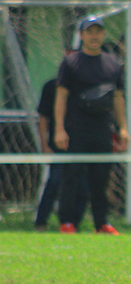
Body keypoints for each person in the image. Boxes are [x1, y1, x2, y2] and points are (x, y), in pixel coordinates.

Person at [53, 15, 129, 234]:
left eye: (98, 31)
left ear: (103, 34)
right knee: (72, 176)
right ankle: (67, 222)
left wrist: (122, 127)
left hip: (102, 129)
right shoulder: (70, 63)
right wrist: (59, 128)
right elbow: (61, 96)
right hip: (77, 128)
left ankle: (101, 223)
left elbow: (117, 97)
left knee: (101, 178)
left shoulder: (113, 63)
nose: (94, 36)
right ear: (82, 35)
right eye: (89, 32)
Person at [33, 77, 88, 231]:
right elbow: (43, 117)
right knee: (54, 182)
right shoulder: (51, 86)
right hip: (58, 145)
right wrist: (44, 144)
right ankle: (41, 222)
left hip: (80, 145)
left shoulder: (85, 84)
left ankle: (72, 224)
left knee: (82, 186)